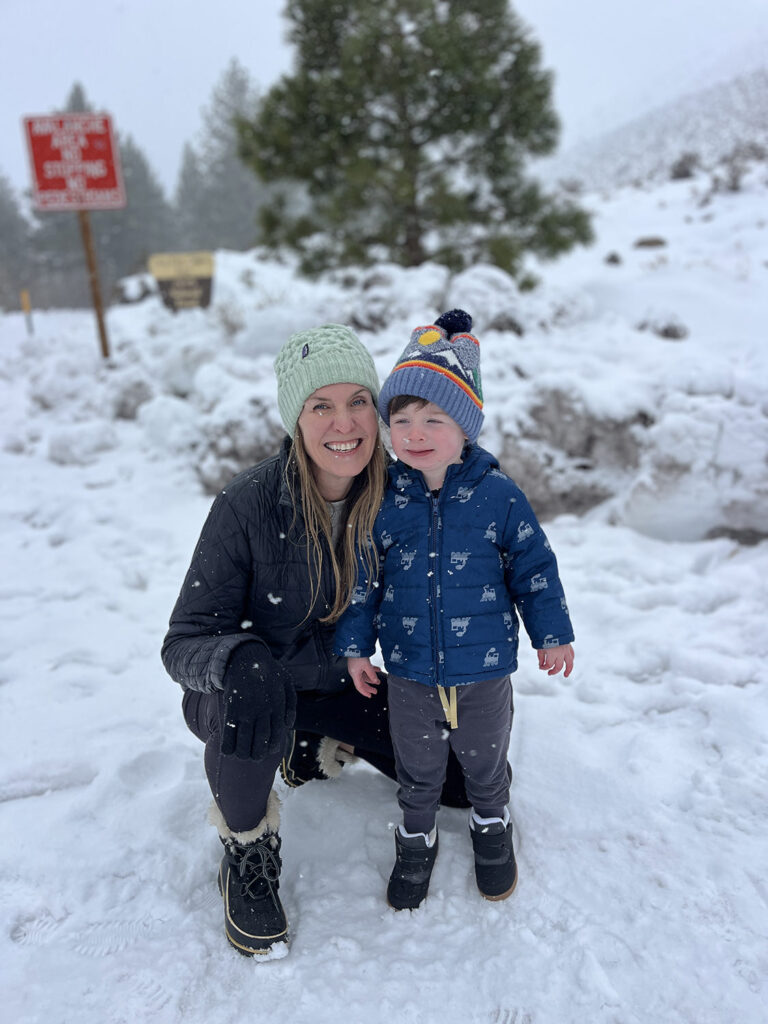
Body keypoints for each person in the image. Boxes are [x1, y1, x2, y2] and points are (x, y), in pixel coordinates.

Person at [161, 323, 470, 958]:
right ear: (295, 420)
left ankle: (311, 739)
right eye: (321, 406)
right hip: (246, 696)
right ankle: (246, 849)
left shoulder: (403, 493)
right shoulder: (246, 503)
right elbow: (183, 642)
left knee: (461, 783)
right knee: (254, 696)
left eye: (359, 401)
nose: (344, 423)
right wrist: (238, 660)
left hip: (338, 683)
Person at [334, 309, 575, 911]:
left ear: (464, 427)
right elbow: (364, 577)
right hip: (412, 668)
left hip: (484, 666)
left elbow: (533, 567)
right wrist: (356, 645)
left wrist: (552, 633)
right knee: (418, 765)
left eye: (433, 419)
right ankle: (415, 836)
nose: (414, 433)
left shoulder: (498, 494)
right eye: (402, 419)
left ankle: (492, 826)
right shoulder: (384, 499)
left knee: (485, 759)